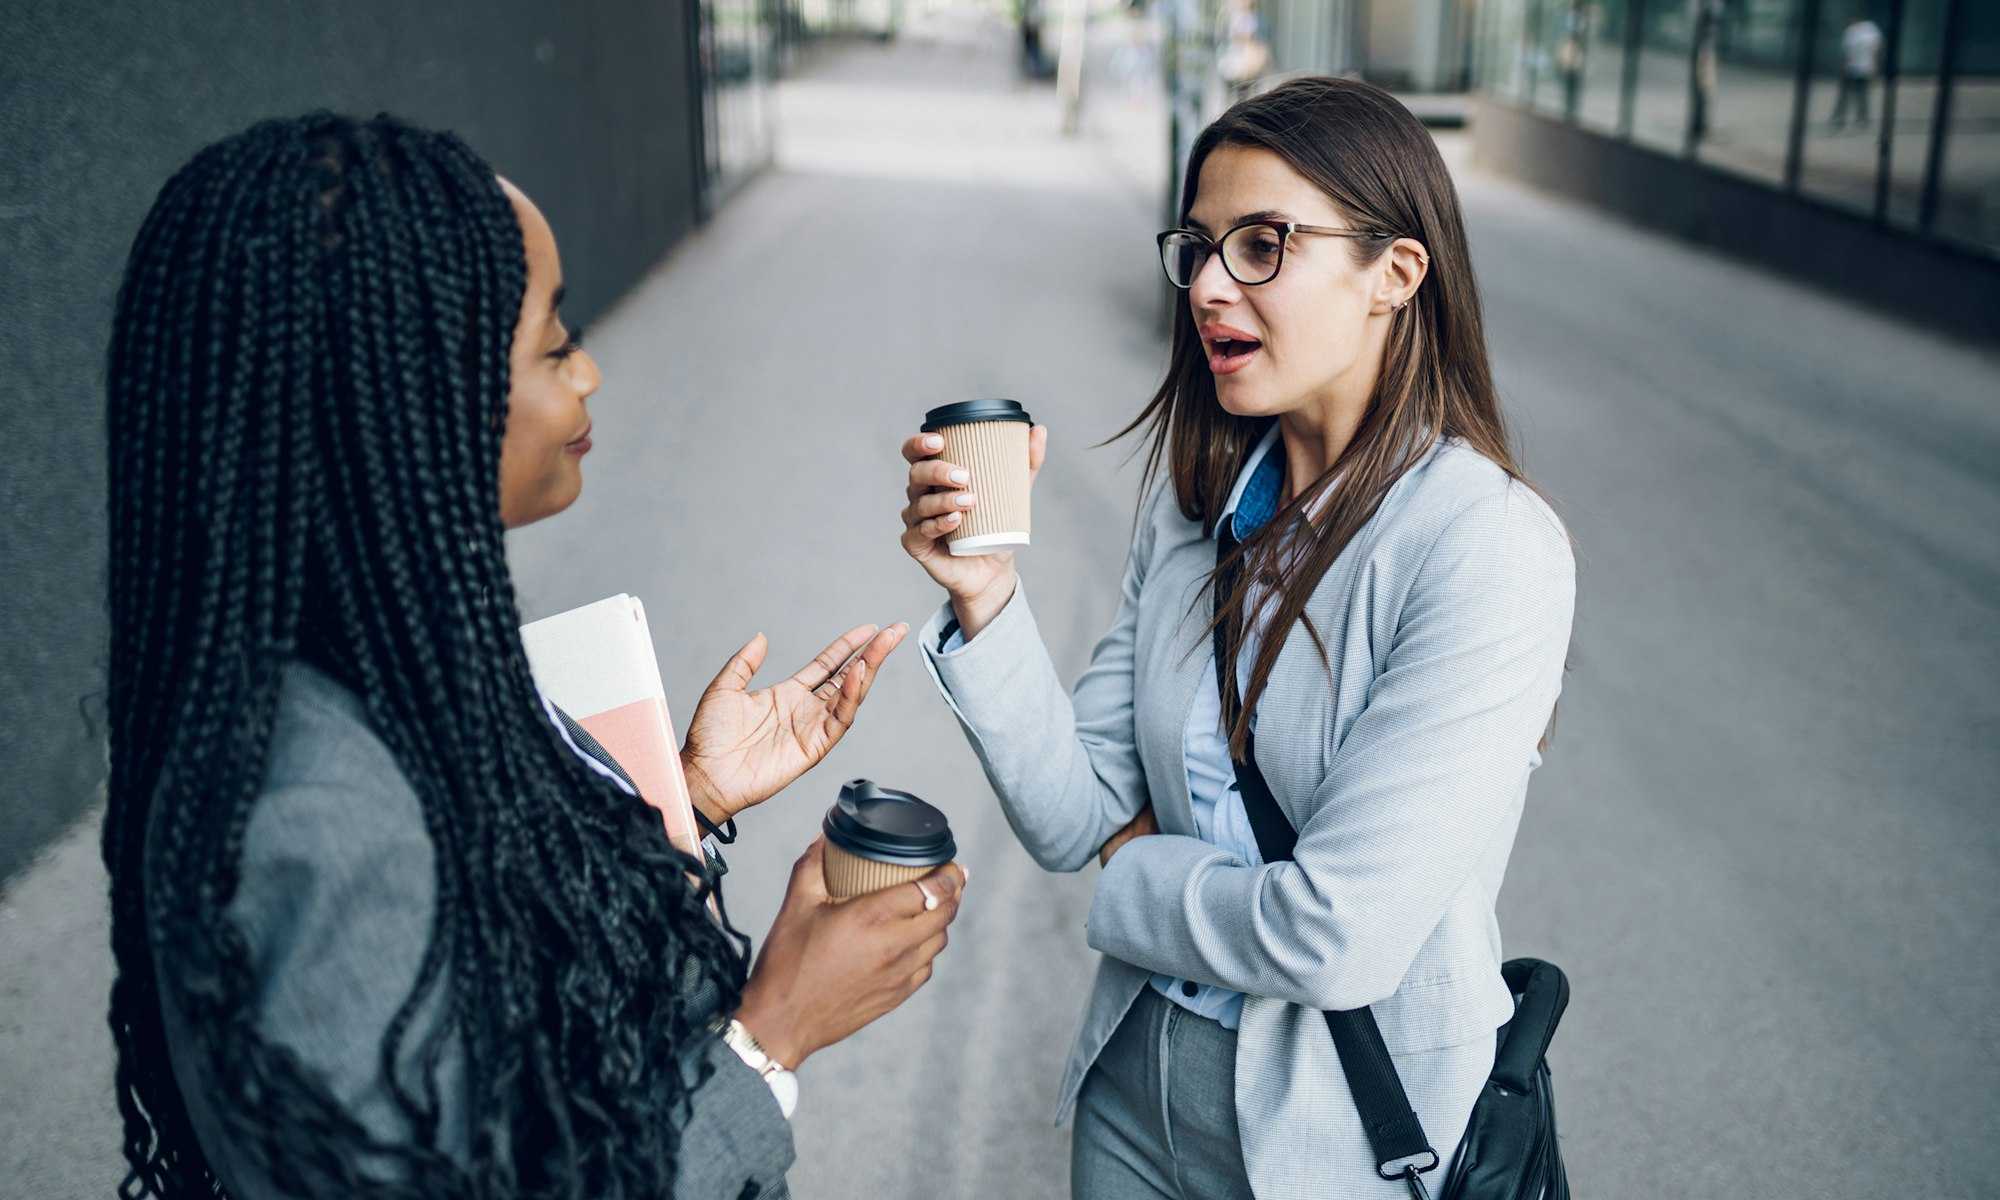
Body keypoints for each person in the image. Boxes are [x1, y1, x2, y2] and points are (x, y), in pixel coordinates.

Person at [102, 112, 966, 1200]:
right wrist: (769, 1035)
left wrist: (677, 799)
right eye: (553, 344)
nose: (592, 373)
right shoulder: (315, 824)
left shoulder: (379, 662)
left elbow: (482, 913)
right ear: (404, 398)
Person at [895, 77, 1574, 1197]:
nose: (1208, 286)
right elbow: (1074, 813)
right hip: (1130, 1095)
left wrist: (1135, 876)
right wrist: (983, 598)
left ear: (1393, 276)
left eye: (1262, 245)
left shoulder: (1485, 547)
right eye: (1199, 246)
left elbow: (1335, 937)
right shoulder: (1197, 499)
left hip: (1346, 1136)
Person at [1831, 13, 1885, 132]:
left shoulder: (1862, 31)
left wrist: (1875, 66)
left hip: (1860, 67)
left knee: (1852, 95)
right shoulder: (1869, 30)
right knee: (1857, 95)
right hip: (1860, 67)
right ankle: (1852, 118)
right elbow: (1876, 49)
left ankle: (1851, 118)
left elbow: (1875, 50)